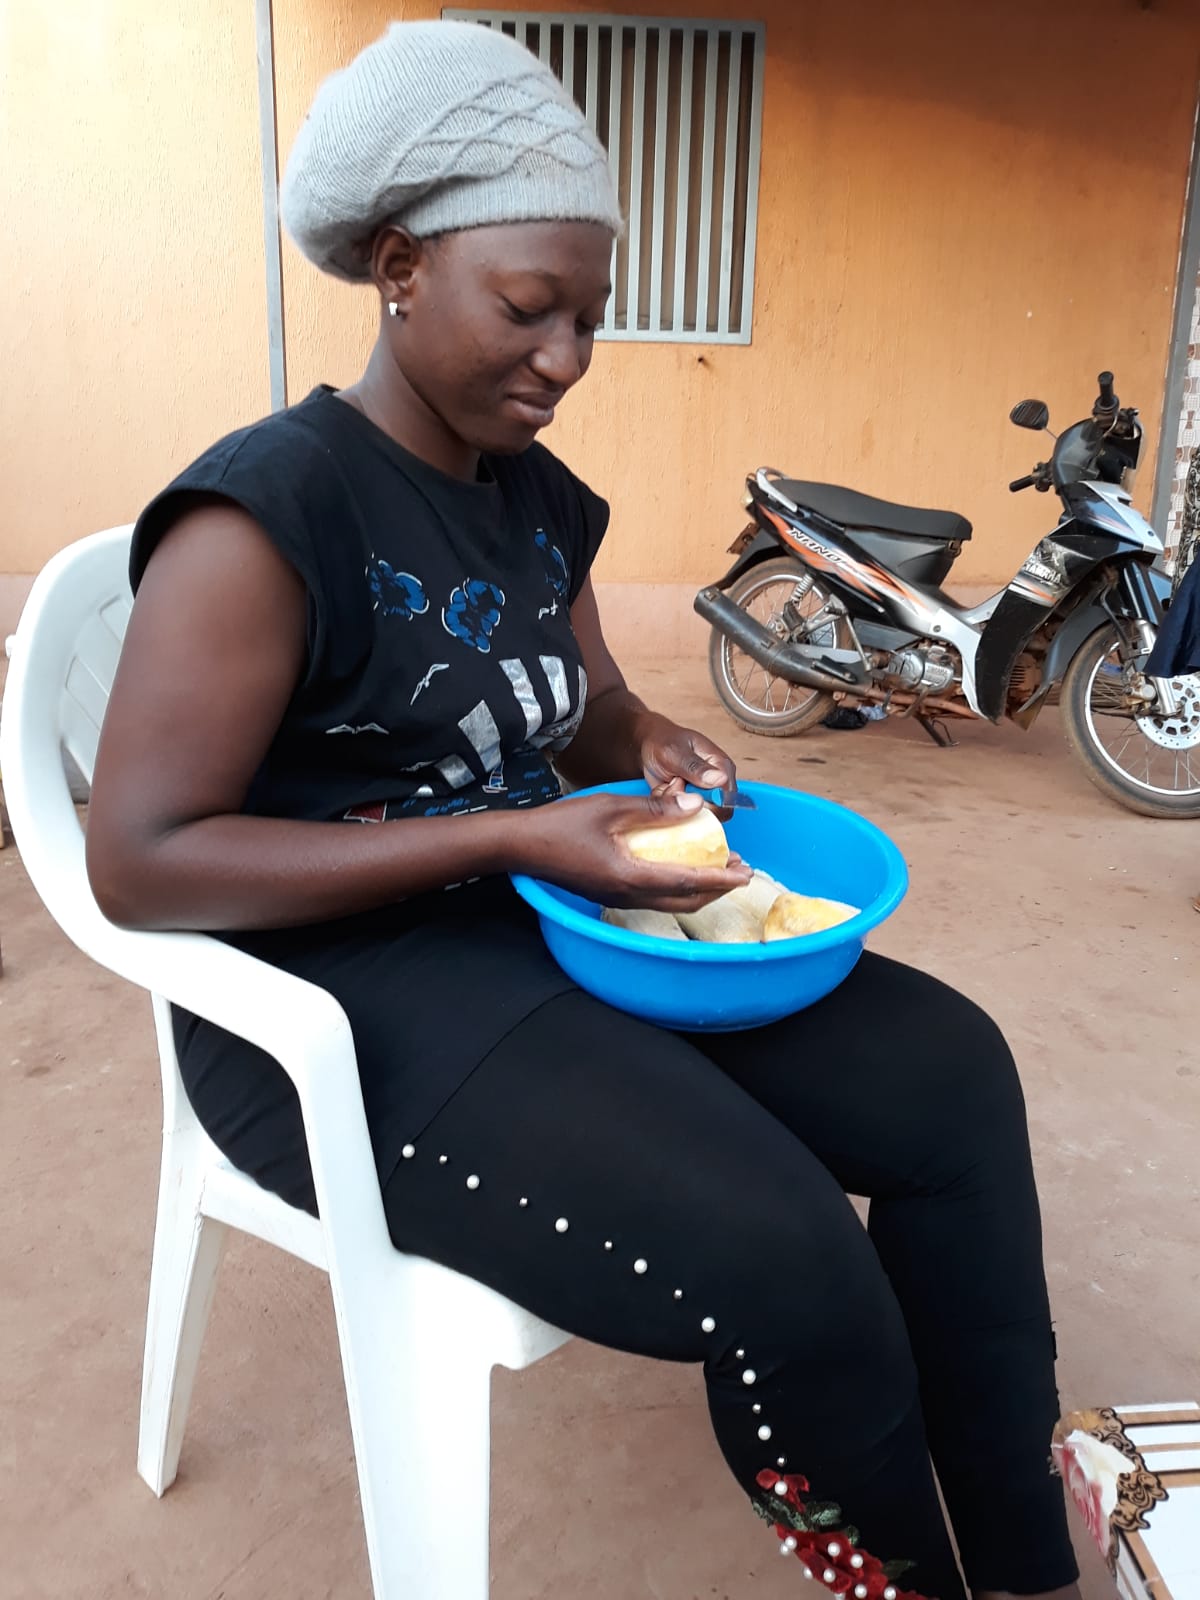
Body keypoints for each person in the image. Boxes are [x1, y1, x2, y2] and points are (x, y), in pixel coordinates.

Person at [85, 22, 1080, 1598]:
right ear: (400, 267)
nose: (563, 357)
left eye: (587, 318)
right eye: (526, 307)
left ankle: (1030, 1558)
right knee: (783, 1256)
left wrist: (653, 739)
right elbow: (140, 864)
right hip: (336, 1005)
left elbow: (588, 707)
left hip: (546, 925)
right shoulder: (269, 513)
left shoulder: (534, 501)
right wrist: (504, 835)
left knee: (951, 1077)